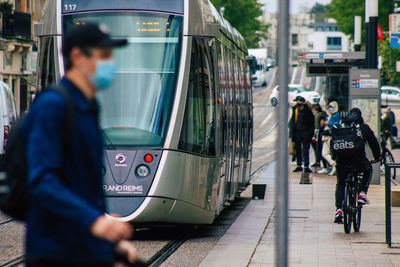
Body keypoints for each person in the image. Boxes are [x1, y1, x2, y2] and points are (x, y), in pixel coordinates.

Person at [22, 23, 137, 266]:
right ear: (77, 57)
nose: (111, 64)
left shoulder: (88, 108)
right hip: (55, 254)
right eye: (103, 56)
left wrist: (110, 245)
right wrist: (95, 222)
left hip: (85, 251)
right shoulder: (53, 106)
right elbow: (42, 180)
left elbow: (84, 189)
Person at [332, 108, 381, 224]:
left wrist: (335, 158)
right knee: (368, 170)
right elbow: (373, 143)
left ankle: (339, 210)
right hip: (358, 161)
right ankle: (362, 193)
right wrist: (377, 157)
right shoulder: (363, 128)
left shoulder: (341, 127)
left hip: (342, 161)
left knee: (340, 184)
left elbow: (333, 143)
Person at [289, 96, 315, 173]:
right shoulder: (295, 109)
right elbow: (293, 122)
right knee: (298, 149)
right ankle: (299, 165)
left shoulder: (308, 110)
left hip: (305, 132)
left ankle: (306, 166)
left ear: (302, 102)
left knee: (305, 149)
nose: (297, 103)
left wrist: (310, 133)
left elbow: (311, 122)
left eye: (299, 102)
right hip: (297, 132)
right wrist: (291, 134)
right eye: (296, 102)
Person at [319, 101, 341, 176]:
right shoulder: (328, 115)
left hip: (331, 136)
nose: (330, 109)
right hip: (326, 135)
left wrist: (328, 123)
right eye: (329, 107)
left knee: (329, 152)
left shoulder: (336, 115)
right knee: (324, 153)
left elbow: (337, 124)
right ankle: (334, 165)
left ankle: (334, 165)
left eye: (331, 107)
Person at [311, 104, 328, 169]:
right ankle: (325, 165)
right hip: (324, 134)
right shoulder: (323, 114)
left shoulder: (317, 116)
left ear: (316, 110)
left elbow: (317, 127)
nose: (313, 112)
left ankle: (324, 166)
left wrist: (315, 136)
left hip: (320, 135)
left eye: (313, 110)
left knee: (321, 150)